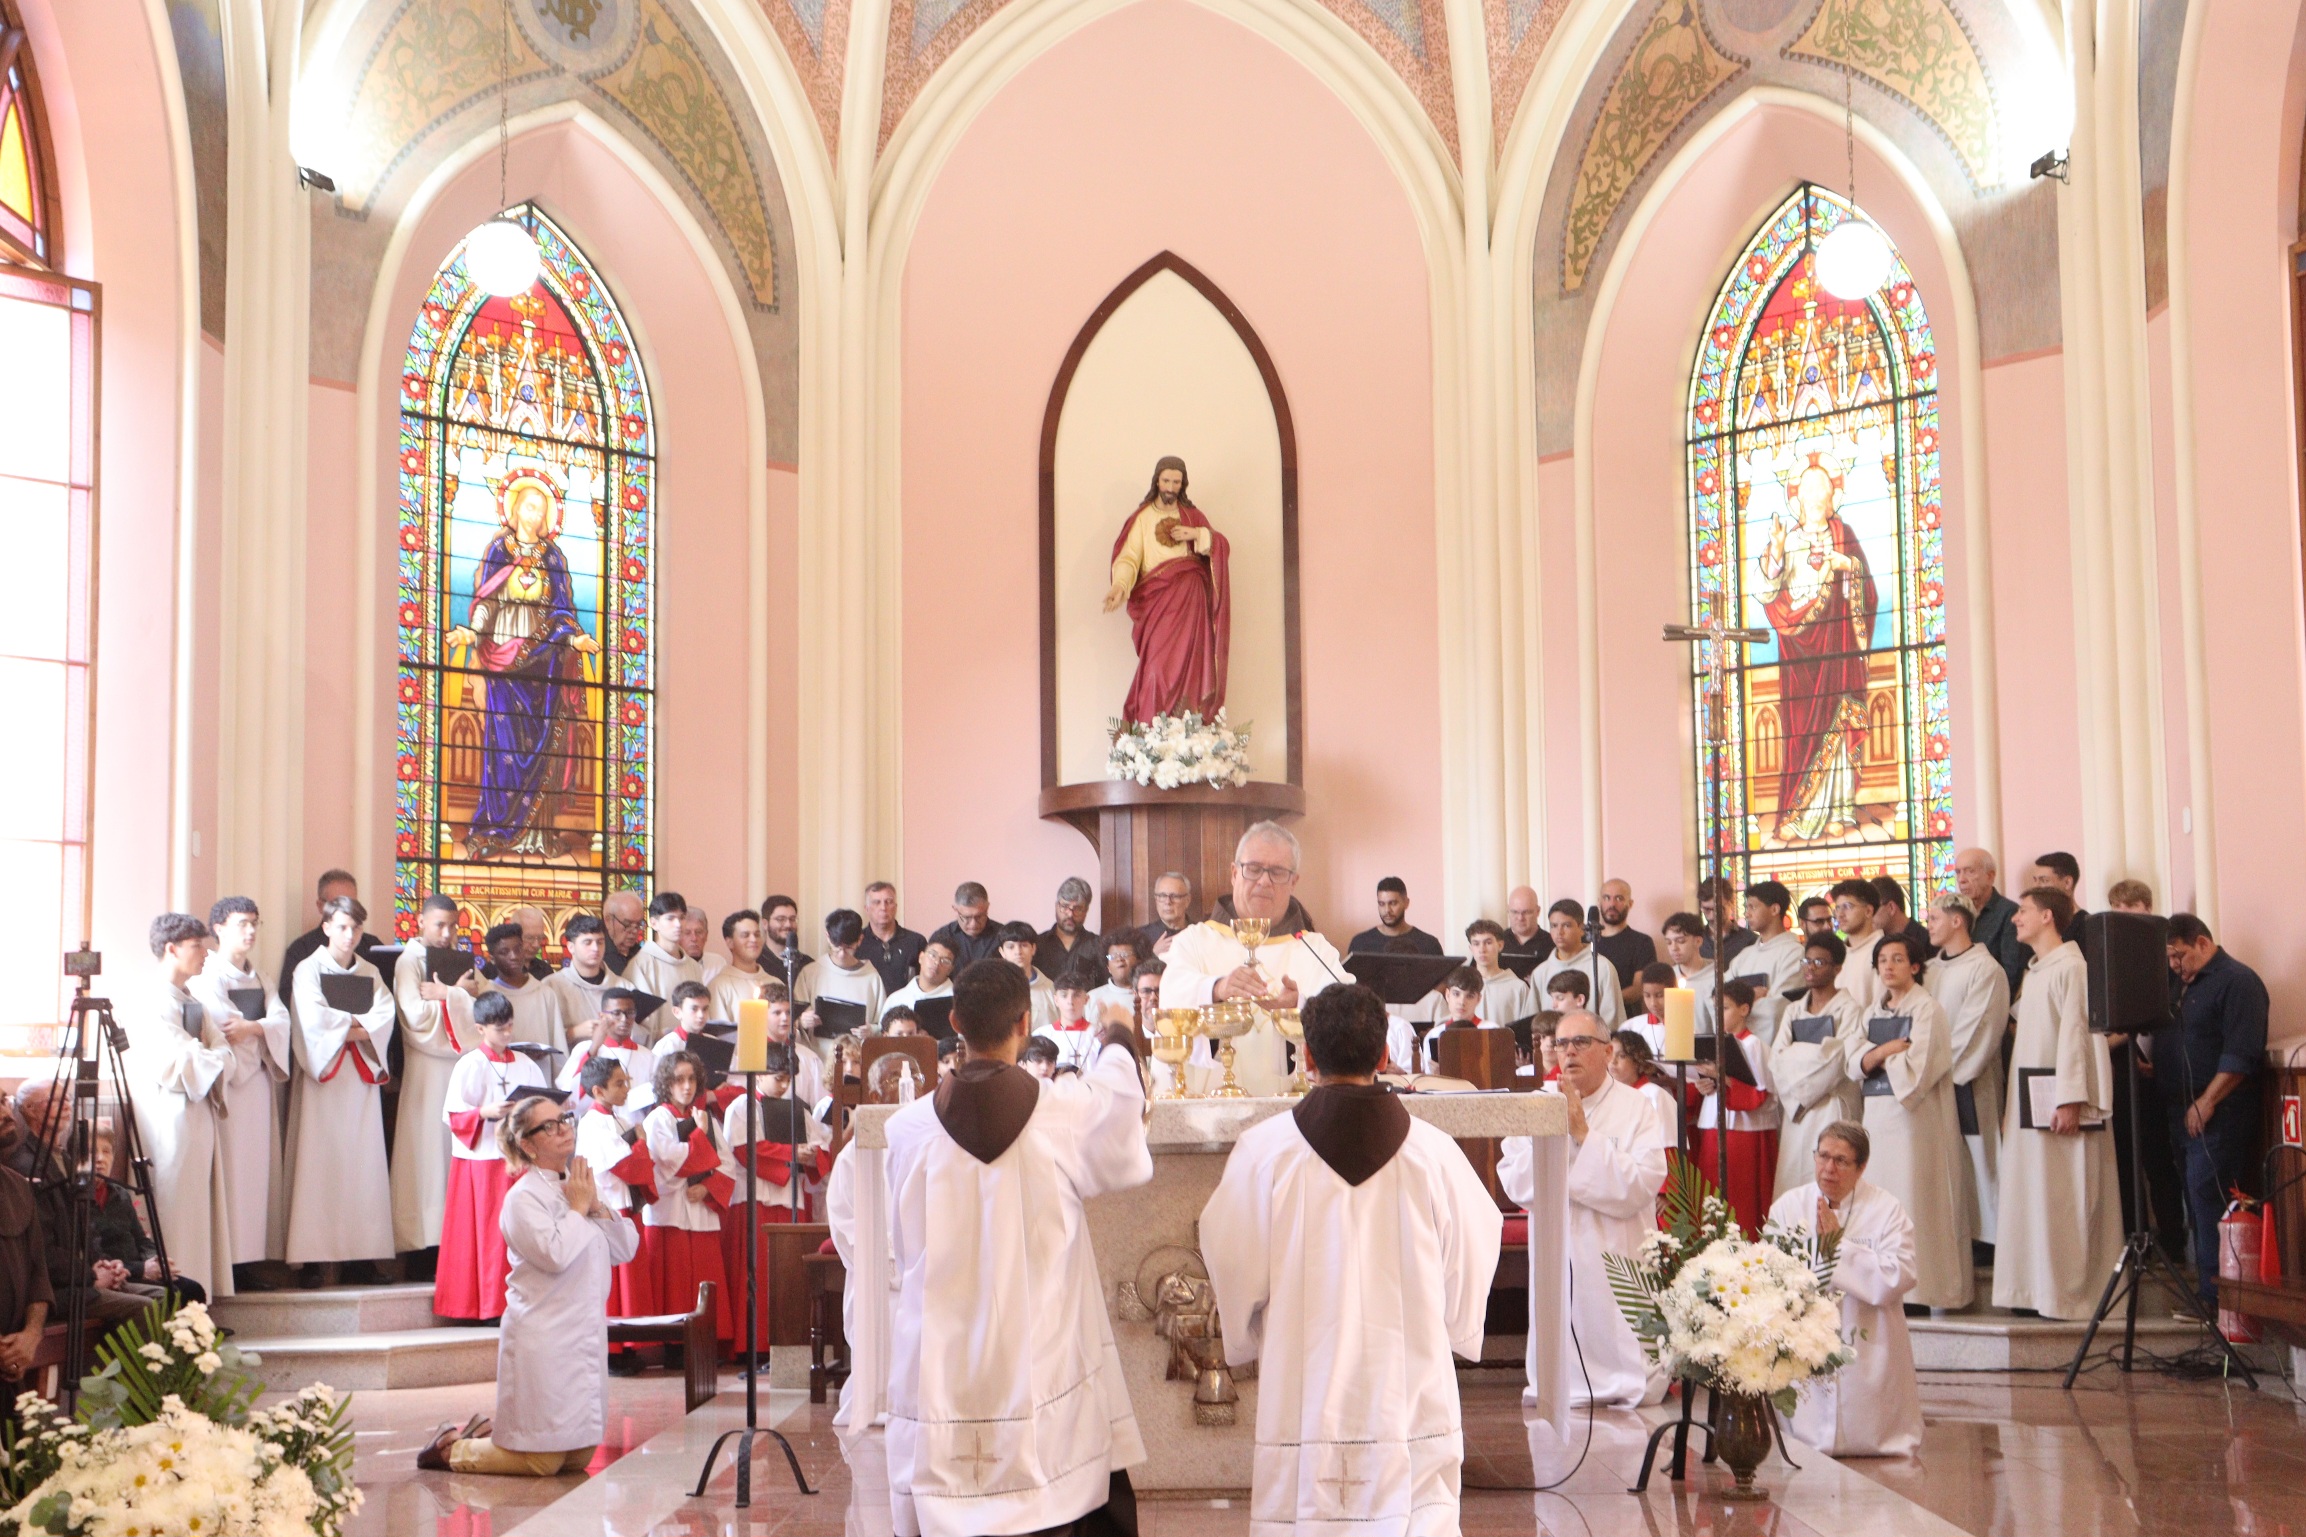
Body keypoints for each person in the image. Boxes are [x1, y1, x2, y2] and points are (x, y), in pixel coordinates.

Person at [859, 958, 1151, 1537]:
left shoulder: (909, 1129)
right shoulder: (1062, 1112)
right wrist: (1118, 1036)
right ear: (1026, 1021)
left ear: (953, 1020)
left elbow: (902, 1239)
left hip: (944, 1349)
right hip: (1037, 1337)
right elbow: (1120, 1114)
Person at [1199, 983, 1501, 1537]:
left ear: (1306, 1056)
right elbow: (1481, 1236)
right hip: (1407, 1376)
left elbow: (1229, 1250)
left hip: (1303, 1375)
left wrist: (1245, 1335)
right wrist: (1456, 1327)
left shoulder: (1265, 1151)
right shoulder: (1433, 1152)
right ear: (1385, 1056)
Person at [418, 1089, 639, 1476]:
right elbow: (554, 1255)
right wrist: (577, 1207)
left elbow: (625, 1249)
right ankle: (451, 1449)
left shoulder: (581, 1185)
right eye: (548, 1126)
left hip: (583, 1333)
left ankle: (478, 1433)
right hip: (544, 1336)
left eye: (563, 1120)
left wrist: (597, 1206)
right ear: (527, 1144)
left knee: (578, 1456)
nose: (562, 1130)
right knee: (542, 1460)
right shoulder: (522, 1199)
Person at [1502, 1010, 1668, 1409]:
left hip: (1616, 1248)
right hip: (1557, 1244)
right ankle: (1559, 1382)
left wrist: (1581, 1135)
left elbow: (1642, 1182)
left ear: (1608, 1051)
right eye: (1561, 1043)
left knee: (1613, 1321)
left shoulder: (1636, 1106)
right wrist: (1575, 1167)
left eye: (1581, 1043)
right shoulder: (1538, 1103)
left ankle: (1622, 1381)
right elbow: (1513, 1175)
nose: (1569, 1052)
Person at [1993, 888, 2121, 1318]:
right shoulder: (2038, 971)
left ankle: (2064, 1295)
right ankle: (2032, 1291)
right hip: (2031, 1108)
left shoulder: (2072, 968)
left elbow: (2080, 1039)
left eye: (2023, 911)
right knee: (2033, 1198)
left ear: (2048, 916)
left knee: (2063, 1201)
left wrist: (2071, 1100)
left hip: (2059, 1109)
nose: (2014, 919)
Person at [1160, 823, 1347, 1097]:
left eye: (1277, 872)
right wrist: (1216, 989)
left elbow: (1349, 1014)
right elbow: (1169, 997)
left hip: (1297, 1114)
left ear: (1294, 881)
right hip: (1210, 1114)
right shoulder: (1195, 941)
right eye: (1254, 869)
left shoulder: (1314, 948)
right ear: (1235, 873)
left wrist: (1300, 1006)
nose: (1264, 881)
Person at [1767, 1122, 1921, 1456]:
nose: (1828, 1169)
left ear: (1862, 1167)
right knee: (1804, 1437)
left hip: (1867, 1337)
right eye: (1823, 1156)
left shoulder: (1887, 1210)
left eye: (1841, 1161)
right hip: (1808, 1337)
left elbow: (1899, 1274)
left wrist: (1839, 1248)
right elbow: (1772, 1274)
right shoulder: (1789, 1206)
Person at [1849, 932, 1969, 1309]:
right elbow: (1853, 1062)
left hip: (1914, 1122)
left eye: (1898, 959)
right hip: (1876, 1117)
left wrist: (1875, 1058)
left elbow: (1918, 1070)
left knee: (1914, 1198)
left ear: (1915, 966)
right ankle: (1879, 1283)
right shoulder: (1871, 1013)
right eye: (1883, 960)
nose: (1888, 966)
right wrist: (1884, 1050)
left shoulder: (1927, 1009)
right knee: (1878, 1199)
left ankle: (1918, 1291)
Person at [121, 913, 236, 1299]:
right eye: (197, 946)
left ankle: (196, 1308)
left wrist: (208, 1053)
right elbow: (176, 1058)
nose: (205, 953)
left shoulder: (194, 1000)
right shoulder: (149, 999)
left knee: (195, 1215)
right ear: (171, 949)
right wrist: (209, 1054)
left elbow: (223, 1051)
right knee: (172, 1212)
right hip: (166, 1119)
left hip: (197, 1113)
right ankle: (173, 1309)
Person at [285, 895, 397, 1277]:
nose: (350, 936)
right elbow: (313, 1021)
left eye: (356, 928)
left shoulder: (370, 970)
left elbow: (385, 1016)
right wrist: (358, 1028)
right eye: (343, 927)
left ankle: (362, 1256)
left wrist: (351, 1027)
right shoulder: (307, 969)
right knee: (321, 1165)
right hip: (325, 1082)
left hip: (360, 1081)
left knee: (363, 1165)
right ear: (327, 926)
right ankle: (316, 1258)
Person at [2162, 913, 2268, 1311]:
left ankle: (2218, 1299)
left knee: (2211, 1197)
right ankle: (2206, 1290)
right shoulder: (2181, 987)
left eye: (2181, 956)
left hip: (2219, 1113)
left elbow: (2241, 1054)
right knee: (2194, 1196)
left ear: (2203, 944)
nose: (2175, 965)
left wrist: (2207, 1101)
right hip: (2179, 1109)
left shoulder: (2238, 982)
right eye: (2170, 958)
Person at [192, 896, 293, 1284]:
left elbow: (279, 1019)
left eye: (255, 923)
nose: (250, 930)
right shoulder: (208, 976)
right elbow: (223, 1026)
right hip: (231, 1086)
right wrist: (258, 1027)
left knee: (256, 1174)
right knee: (232, 1171)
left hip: (258, 1084)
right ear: (218, 929)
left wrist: (255, 1028)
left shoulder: (261, 977)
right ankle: (229, 1263)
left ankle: (251, 1261)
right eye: (241, 923)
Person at [435, 993, 548, 1321]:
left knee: (520, 1231)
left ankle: (522, 1302)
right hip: (483, 1160)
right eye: (499, 1029)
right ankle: (485, 1305)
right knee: (489, 1236)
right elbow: (453, 1116)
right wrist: (485, 1111)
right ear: (480, 1028)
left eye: (510, 1026)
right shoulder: (470, 1064)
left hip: (519, 1160)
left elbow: (542, 1105)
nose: (507, 1034)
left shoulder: (525, 1063)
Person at [1103, 454, 1229, 724]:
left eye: (1176, 481)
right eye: (1166, 480)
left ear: (1183, 484)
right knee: (1155, 670)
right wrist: (1119, 585)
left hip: (1190, 601)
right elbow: (1129, 557)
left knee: (1191, 668)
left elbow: (1221, 546)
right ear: (1156, 481)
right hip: (1158, 604)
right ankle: (1151, 732)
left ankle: (1188, 732)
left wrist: (1197, 534)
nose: (1171, 487)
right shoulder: (1143, 518)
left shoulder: (1192, 517)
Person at [393, 894, 484, 1258]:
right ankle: (422, 1247)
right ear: (421, 922)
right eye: (439, 925)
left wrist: (451, 993)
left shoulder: (462, 960)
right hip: (426, 1069)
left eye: (452, 926)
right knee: (426, 1155)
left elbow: (482, 1011)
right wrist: (457, 996)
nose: (446, 934)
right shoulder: (408, 962)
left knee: (453, 1153)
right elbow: (414, 1016)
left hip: (459, 1069)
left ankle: (459, 1243)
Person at [1923, 892, 2012, 1259]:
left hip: (1966, 1082)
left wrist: (1933, 1071)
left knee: (1978, 1159)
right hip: (1929, 1082)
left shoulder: (1986, 969)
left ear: (1957, 921)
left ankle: (1986, 1240)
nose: (1928, 925)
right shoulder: (1929, 970)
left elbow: (1977, 1031)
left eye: (1934, 918)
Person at [638, 1050, 736, 1342]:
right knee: (675, 1283)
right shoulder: (658, 1119)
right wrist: (698, 1136)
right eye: (679, 1079)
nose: (687, 1086)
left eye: (692, 1079)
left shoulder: (705, 1119)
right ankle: (674, 1345)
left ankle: (707, 1341)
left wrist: (708, 1187)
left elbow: (727, 1163)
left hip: (701, 1209)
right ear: (666, 1083)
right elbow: (671, 1162)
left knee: (704, 1281)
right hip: (671, 1213)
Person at [1769, 933, 1868, 1210]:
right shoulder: (1793, 1011)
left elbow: (1838, 1060)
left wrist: (1798, 1064)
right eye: (1806, 960)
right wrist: (1813, 1055)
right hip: (1796, 1113)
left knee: (1830, 1178)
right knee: (1793, 1184)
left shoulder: (1850, 1009)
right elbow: (1777, 1059)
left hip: (1830, 1105)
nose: (1810, 967)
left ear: (1837, 968)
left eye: (1819, 962)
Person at [572, 1052, 657, 1344]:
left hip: (627, 1206)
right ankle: (618, 1346)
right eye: (619, 1084)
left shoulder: (619, 1119)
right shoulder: (593, 1122)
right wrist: (642, 1142)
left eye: (627, 1081)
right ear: (598, 1091)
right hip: (610, 1207)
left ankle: (632, 1340)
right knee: (615, 1283)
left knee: (631, 1279)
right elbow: (627, 1168)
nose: (626, 1089)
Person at [1689, 980, 1778, 1237]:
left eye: (1725, 1008)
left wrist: (1723, 1077)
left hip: (1742, 1131)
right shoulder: (1715, 1043)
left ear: (1744, 1009)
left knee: (1740, 1200)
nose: (1719, 1014)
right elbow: (1718, 1085)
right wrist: (1709, 1084)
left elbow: (1759, 1093)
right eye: (1715, 1007)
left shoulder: (1753, 1045)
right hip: (1713, 1126)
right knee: (1711, 1196)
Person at [0, 1107, 52, 1402]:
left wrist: (31, 1335)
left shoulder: (19, 1186)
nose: (6, 1112)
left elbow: (38, 1276)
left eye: (4, 1100)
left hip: (12, 1359)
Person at [276, 869, 388, 1000]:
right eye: (337, 904)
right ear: (320, 906)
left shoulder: (371, 945)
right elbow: (289, 999)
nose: (347, 910)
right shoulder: (301, 950)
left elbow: (387, 994)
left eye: (351, 903)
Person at [798, 909, 890, 1051]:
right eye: (836, 947)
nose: (841, 954)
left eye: (848, 948)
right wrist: (802, 1021)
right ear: (828, 937)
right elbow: (792, 1018)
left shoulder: (872, 978)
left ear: (860, 940)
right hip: (818, 1057)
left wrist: (871, 1030)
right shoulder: (811, 973)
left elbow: (883, 1023)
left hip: (855, 1059)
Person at [1727, 881, 1806, 1043]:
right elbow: (1719, 999)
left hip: (1771, 1048)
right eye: (1746, 908)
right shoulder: (1743, 957)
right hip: (1737, 1045)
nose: (1747, 914)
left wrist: (1739, 1006)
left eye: (1753, 907)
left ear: (1775, 909)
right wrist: (1751, 998)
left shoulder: (1794, 953)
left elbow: (1778, 1008)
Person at [558, 988, 658, 1109]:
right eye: (616, 1013)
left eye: (630, 1013)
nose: (624, 1019)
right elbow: (570, 1096)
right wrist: (594, 1048)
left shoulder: (648, 1056)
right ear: (602, 1016)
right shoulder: (586, 1049)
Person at [1529, 902, 1623, 1028]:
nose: (1559, 932)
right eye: (1554, 926)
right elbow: (1534, 1021)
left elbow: (1613, 1019)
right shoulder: (1541, 972)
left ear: (1582, 929)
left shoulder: (1601, 967)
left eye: (1566, 925)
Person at [623, 893, 705, 1035]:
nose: (678, 924)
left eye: (682, 918)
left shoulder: (693, 966)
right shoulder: (641, 965)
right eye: (670, 918)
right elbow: (636, 1021)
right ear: (654, 923)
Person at [484, 921, 567, 1055]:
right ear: (492, 959)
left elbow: (558, 1043)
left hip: (541, 1072)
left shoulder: (545, 993)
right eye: (504, 952)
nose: (514, 956)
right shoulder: (487, 995)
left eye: (518, 949)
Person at [1953, 848, 2025, 995]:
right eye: (1958, 872)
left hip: (1992, 1000)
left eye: (1970, 871)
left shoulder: (2009, 912)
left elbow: (2011, 972)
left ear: (1990, 876)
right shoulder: (1956, 914)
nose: (1961, 879)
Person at [548, 914, 620, 1045]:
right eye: (588, 942)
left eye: (600, 942)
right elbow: (542, 1036)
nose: (595, 948)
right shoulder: (551, 986)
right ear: (571, 947)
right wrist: (574, 1033)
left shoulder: (622, 986)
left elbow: (639, 1034)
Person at [1464, 919, 1539, 1030]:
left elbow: (1528, 1027)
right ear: (1471, 948)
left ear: (1500, 945)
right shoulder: (1463, 986)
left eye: (1488, 942)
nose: (1482, 949)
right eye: (1476, 944)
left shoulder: (1517, 987)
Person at [1038, 959, 1109, 1072]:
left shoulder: (1099, 1034)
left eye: (1076, 995)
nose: (1070, 1001)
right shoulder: (1042, 1035)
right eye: (1064, 995)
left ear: (1086, 999)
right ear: (1056, 1000)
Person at [859, 881, 928, 993]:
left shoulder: (916, 942)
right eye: (876, 902)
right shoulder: (857, 942)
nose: (883, 907)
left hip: (906, 1008)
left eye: (889, 902)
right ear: (866, 909)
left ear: (895, 907)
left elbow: (927, 982)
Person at [710, 909, 776, 1023]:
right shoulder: (719, 986)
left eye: (757, 934)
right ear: (730, 942)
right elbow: (719, 1034)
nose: (753, 940)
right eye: (745, 935)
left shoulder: (775, 983)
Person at [1347, 877, 1443, 955]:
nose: (1387, 910)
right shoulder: (1360, 943)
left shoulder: (1429, 944)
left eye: (1392, 903)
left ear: (1406, 903)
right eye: (1381, 904)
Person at [1594, 878, 1658, 992]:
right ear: (1599, 902)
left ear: (1630, 904)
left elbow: (1638, 989)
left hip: (1625, 1009)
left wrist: (1605, 1002)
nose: (1612, 904)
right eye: (1606, 898)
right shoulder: (1587, 940)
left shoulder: (1642, 943)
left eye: (1619, 898)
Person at [1829, 879, 1884, 1013]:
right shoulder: (1837, 954)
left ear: (1868, 911)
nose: (1840, 914)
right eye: (1837, 908)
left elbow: (1882, 1006)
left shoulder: (1883, 951)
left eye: (1848, 906)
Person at [1034, 877, 1103, 982]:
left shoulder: (1098, 945)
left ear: (1086, 911)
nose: (1070, 914)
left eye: (1078, 908)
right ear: (1056, 906)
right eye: (1065, 906)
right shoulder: (1037, 944)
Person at [1661, 912, 1717, 1035]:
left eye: (1680, 941)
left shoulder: (1716, 978)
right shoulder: (1668, 977)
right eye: (1669, 942)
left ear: (1698, 941)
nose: (1674, 948)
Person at [928, 882, 1004, 970]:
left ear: (987, 907)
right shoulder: (941, 936)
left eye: (979, 917)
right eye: (966, 917)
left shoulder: (1002, 936)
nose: (973, 924)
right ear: (955, 909)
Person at [885, 938, 957, 1020]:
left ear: (950, 970)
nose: (936, 962)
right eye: (933, 955)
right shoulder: (896, 999)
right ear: (921, 957)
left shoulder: (958, 1001)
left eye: (945, 961)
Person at [759, 894, 816, 992]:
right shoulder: (756, 964)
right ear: (765, 924)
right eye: (781, 919)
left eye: (792, 919)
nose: (788, 924)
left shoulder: (808, 964)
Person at [1134, 872, 1196, 959]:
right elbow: (1132, 971)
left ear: (1187, 900)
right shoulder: (1139, 936)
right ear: (1156, 900)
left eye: (1175, 896)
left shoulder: (1200, 933)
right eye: (1162, 896)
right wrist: (1153, 955)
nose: (1168, 902)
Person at [1697, 876, 1755, 968]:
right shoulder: (1695, 940)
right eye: (1707, 909)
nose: (1712, 915)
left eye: (1718, 909)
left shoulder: (1749, 940)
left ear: (1731, 903)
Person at [1086, 934, 1141, 1026]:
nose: (1119, 959)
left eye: (1125, 954)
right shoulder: (1091, 998)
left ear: (1138, 960)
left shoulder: (1149, 995)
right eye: (1112, 956)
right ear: (1108, 967)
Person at [602, 889, 648, 976]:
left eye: (638, 924)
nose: (634, 931)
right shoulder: (597, 955)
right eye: (627, 924)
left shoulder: (641, 955)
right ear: (608, 920)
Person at [679, 907, 722, 981]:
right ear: (678, 936)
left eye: (699, 932)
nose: (694, 938)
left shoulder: (718, 964)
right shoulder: (670, 967)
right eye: (687, 933)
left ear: (706, 935)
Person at [1504, 886, 1547, 959]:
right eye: (1515, 912)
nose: (1520, 918)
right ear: (1508, 911)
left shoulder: (1551, 944)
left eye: (1526, 912)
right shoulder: (1496, 943)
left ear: (1538, 911)